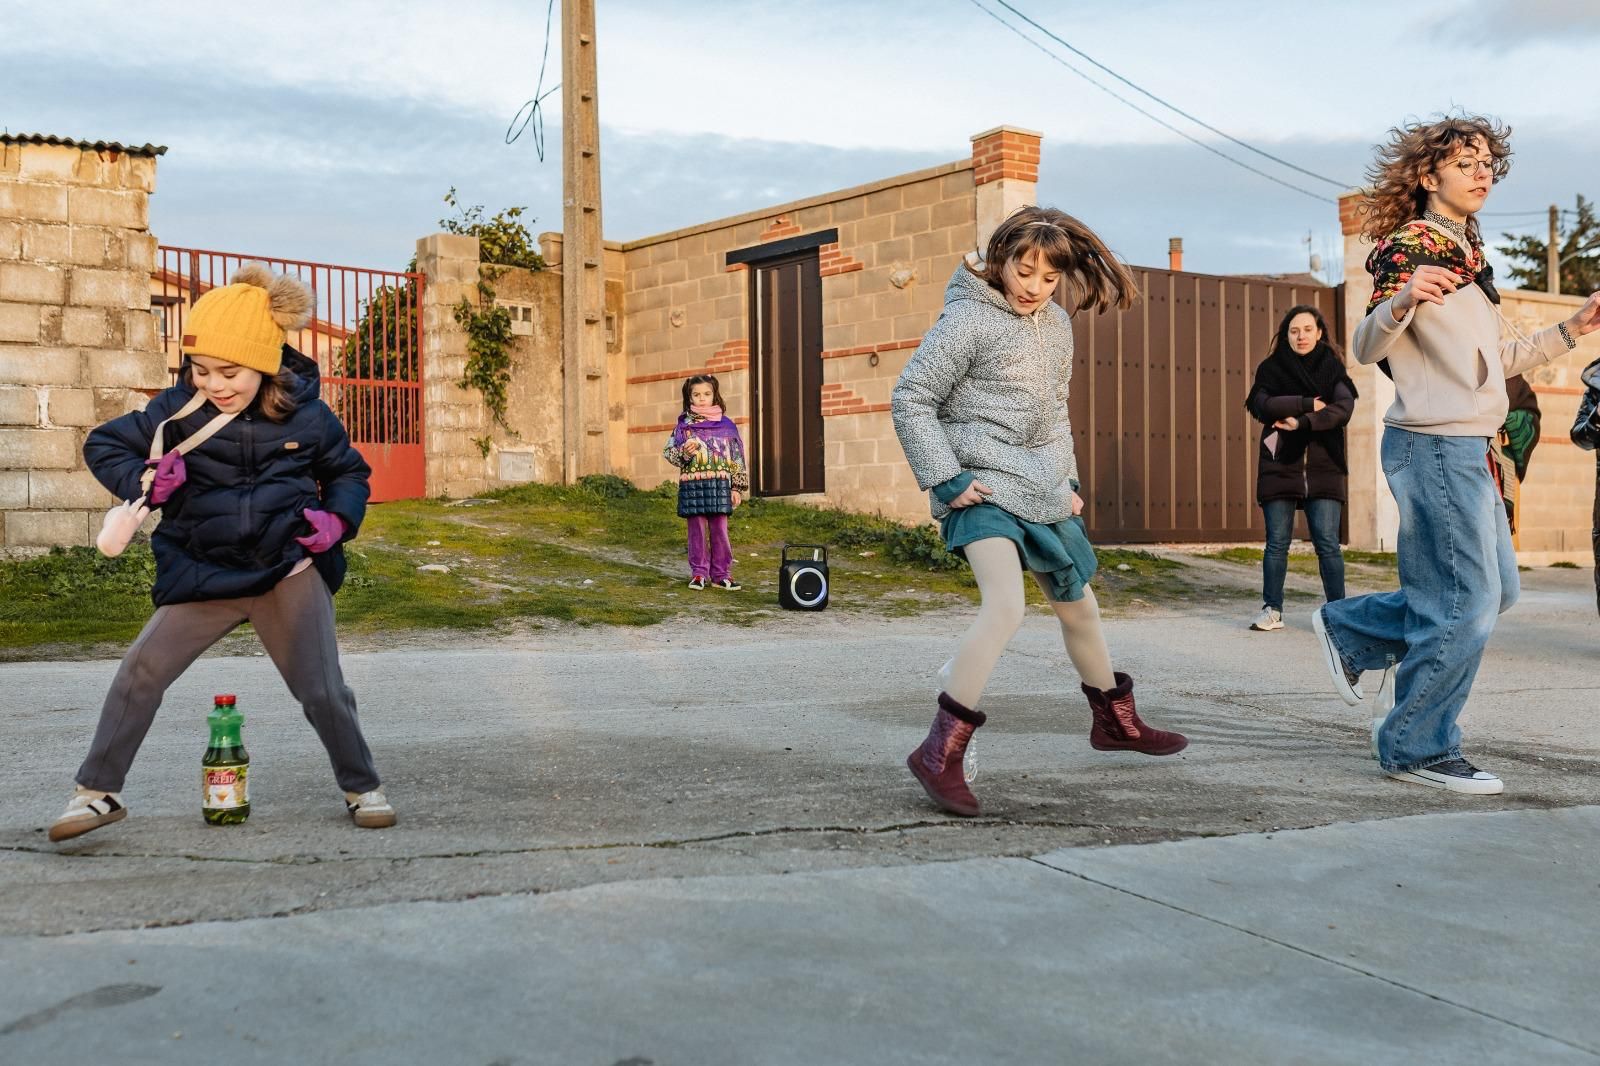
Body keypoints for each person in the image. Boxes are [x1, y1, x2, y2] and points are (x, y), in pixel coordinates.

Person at [49, 264, 395, 841]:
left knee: (322, 689)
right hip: (202, 568)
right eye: (202, 370)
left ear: (263, 362)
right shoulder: (177, 410)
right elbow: (103, 442)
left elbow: (348, 474)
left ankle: (362, 787)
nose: (215, 384)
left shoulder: (307, 415)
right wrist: (143, 478)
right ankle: (96, 794)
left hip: (287, 568)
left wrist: (337, 519)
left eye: (230, 372)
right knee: (140, 673)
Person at [1309, 114, 1600, 795]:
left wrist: (1572, 329)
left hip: (1469, 447)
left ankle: (1351, 627)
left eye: (1488, 164)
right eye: (1467, 163)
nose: (1483, 174)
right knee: (1465, 605)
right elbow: (1365, 344)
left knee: (1497, 592)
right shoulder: (1410, 248)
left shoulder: (1466, 255)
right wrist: (1402, 301)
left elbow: (1494, 363)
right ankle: (1416, 745)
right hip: (1434, 446)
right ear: (1428, 175)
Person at [891, 205, 1188, 818]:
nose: (1033, 288)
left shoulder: (1056, 324)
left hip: (1043, 485)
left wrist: (1069, 480)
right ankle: (938, 753)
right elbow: (910, 398)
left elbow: (1054, 411)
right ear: (1002, 260)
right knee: (1005, 605)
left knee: (1079, 605)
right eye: (1024, 272)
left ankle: (1115, 722)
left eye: (1048, 279)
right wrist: (947, 479)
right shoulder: (965, 320)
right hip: (981, 490)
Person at [1245, 305, 1357, 631]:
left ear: (1319, 332)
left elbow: (1343, 409)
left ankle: (1338, 613)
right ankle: (1272, 610)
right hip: (1280, 464)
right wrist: (1308, 403)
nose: (1301, 336)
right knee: (1277, 542)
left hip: (1323, 467)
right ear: (1286, 335)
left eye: (1307, 329)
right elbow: (1262, 404)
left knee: (1327, 544)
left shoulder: (1332, 369)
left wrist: (1302, 422)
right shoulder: (1271, 368)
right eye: (1294, 331)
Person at [662, 374, 748, 591]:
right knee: (696, 531)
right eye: (697, 395)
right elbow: (669, 452)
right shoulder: (683, 426)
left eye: (707, 394)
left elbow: (737, 457)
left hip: (720, 486)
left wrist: (736, 487)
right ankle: (699, 573)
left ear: (714, 395)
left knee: (720, 530)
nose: (702, 399)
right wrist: (684, 452)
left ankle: (721, 575)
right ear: (689, 396)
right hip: (693, 486)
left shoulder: (726, 425)